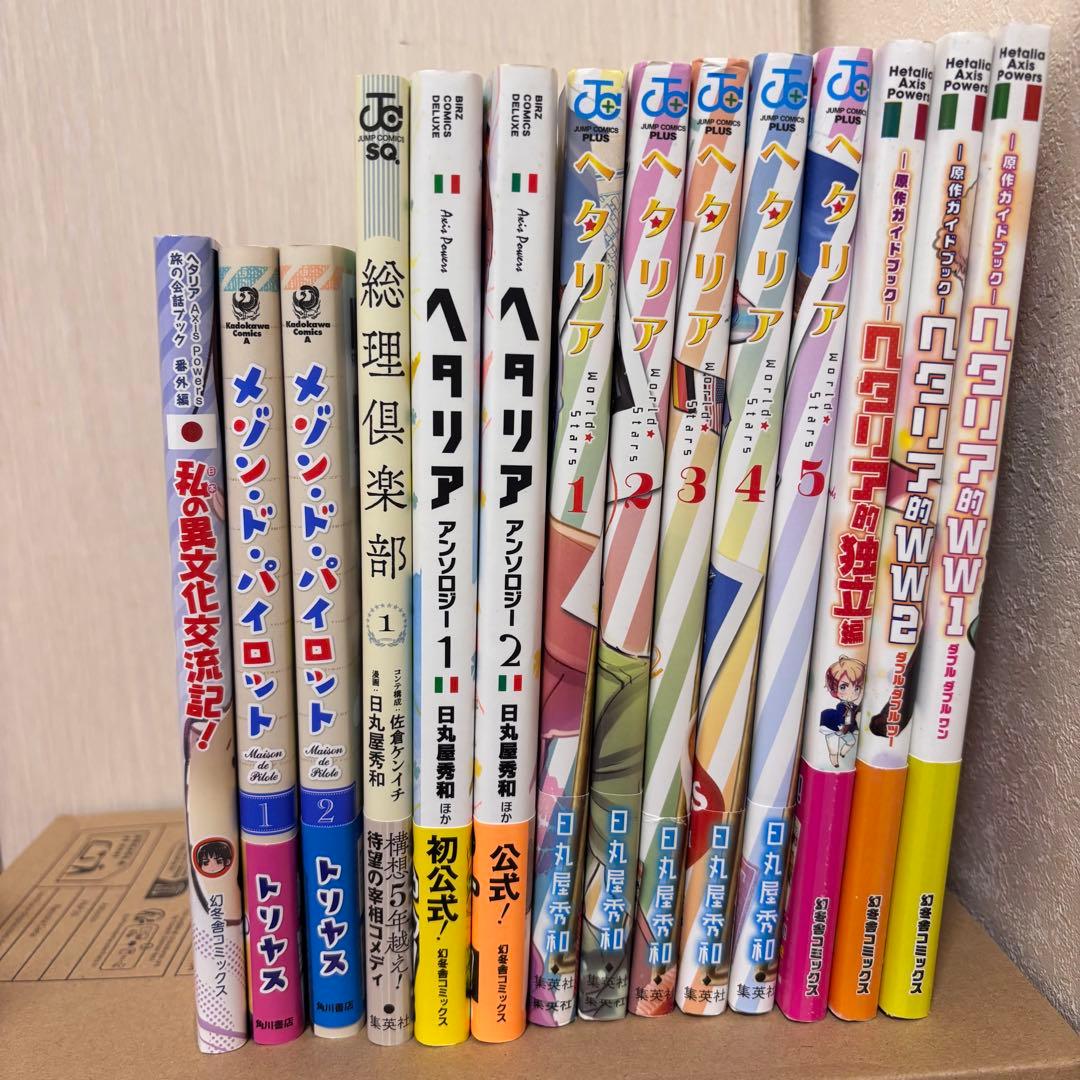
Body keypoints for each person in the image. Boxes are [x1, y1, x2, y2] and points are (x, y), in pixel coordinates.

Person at [818, 656, 864, 768]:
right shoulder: (841, 706)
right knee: (833, 748)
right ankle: (834, 762)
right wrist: (842, 726)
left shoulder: (852, 706)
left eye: (857, 688)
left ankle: (843, 753)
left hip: (844, 729)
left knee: (851, 741)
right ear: (834, 688)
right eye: (843, 687)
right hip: (832, 727)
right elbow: (842, 717)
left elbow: (855, 712)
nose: (851, 693)